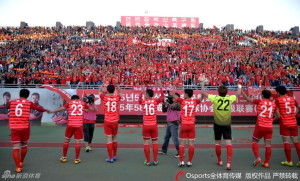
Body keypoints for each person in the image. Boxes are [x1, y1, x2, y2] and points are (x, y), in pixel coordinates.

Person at [200, 81, 241, 170]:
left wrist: (202, 84)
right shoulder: (230, 98)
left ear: (218, 92)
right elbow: (238, 93)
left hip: (217, 124)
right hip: (227, 124)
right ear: (227, 92)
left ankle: (220, 160)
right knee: (228, 143)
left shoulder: (215, 98)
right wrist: (239, 86)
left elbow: (203, 93)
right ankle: (229, 163)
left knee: (217, 143)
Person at [7, 89, 48, 173]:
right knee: (24, 144)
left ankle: (18, 167)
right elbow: (38, 109)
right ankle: (21, 161)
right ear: (28, 96)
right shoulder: (29, 103)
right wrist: (46, 110)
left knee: (15, 147)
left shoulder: (12, 102)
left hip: (14, 128)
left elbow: (7, 106)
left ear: (19, 94)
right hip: (25, 127)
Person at [242, 89, 280, 168]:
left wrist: (241, 90)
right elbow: (279, 116)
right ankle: (266, 163)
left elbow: (247, 98)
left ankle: (257, 157)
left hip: (260, 126)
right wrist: (272, 120)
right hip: (269, 127)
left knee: (254, 141)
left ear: (262, 95)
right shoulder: (273, 104)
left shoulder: (259, 101)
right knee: (268, 145)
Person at [50, 95, 93, 164]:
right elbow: (89, 109)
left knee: (67, 140)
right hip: (79, 125)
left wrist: (52, 111)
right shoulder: (83, 103)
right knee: (77, 141)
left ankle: (64, 157)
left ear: (72, 99)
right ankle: (77, 159)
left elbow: (62, 108)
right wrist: (88, 103)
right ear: (78, 99)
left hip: (70, 124)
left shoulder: (69, 103)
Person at [173, 87, 202, 167]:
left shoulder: (182, 101)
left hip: (184, 125)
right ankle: (189, 161)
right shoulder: (195, 101)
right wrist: (202, 86)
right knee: (191, 144)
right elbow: (202, 97)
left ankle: (182, 161)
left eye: (184, 93)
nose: (183, 94)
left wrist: (174, 87)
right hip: (191, 125)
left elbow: (174, 95)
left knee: (182, 143)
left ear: (186, 94)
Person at [139, 82, 164, 166]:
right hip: (153, 125)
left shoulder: (143, 101)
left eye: (145, 93)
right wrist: (161, 88)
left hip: (146, 125)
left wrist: (141, 92)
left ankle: (148, 160)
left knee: (146, 143)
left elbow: (139, 100)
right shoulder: (155, 101)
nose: (144, 95)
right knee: (155, 142)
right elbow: (162, 97)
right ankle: (155, 160)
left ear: (148, 94)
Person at [275, 86, 300, 167]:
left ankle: (289, 161)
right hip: (294, 123)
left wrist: (272, 120)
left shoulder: (278, 100)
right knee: (296, 142)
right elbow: (299, 108)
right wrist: (295, 115)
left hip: (284, 123)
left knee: (286, 141)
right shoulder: (292, 99)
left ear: (278, 92)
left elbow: (276, 113)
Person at [99, 83, 122, 163]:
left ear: (107, 90)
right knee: (114, 138)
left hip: (107, 121)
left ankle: (110, 157)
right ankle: (115, 155)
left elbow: (99, 92)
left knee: (109, 139)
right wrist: (117, 86)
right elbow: (121, 93)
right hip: (115, 120)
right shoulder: (117, 97)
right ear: (114, 90)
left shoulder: (104, 97)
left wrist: (102, 85)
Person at [159, 92, 181, 157]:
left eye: (175, 97)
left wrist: (166, 102)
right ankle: (164, 150)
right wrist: (163, 103)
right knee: (166, 138)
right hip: (169, 123)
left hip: (174, 123)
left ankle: (180, 152)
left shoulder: (178, 104)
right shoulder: (171, 104)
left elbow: (172, 107)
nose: (173, 98)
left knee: (175, 139)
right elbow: (163, 110)